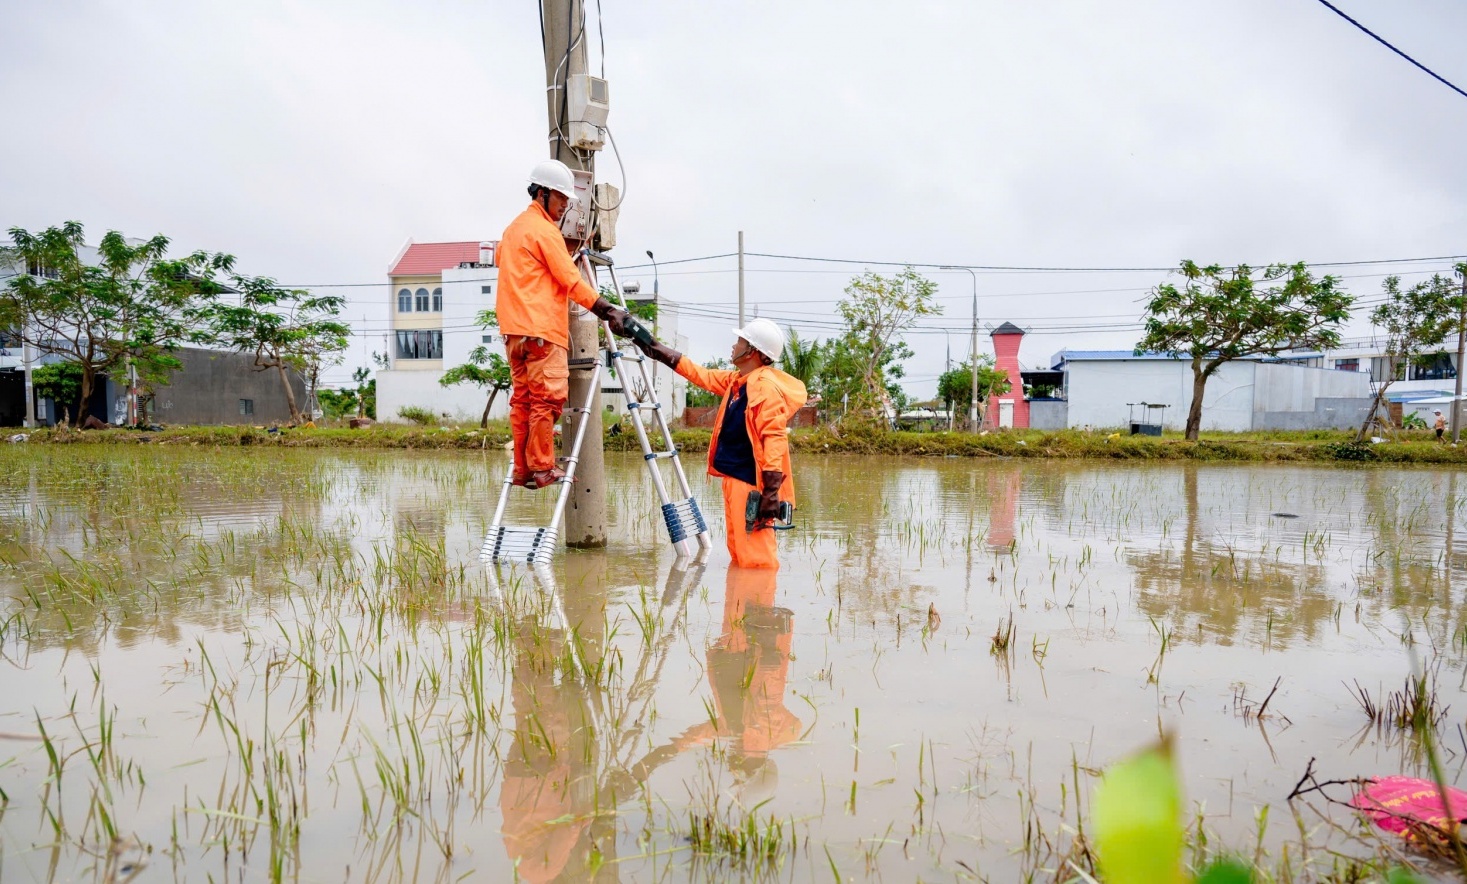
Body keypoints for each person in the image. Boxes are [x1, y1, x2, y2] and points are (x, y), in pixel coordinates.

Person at [496, 159, 633, 489]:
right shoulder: (545, 231)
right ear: (542, 194)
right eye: (560, 200)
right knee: (546, 400)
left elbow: (516, 263)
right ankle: (542, 468)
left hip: (514, 334)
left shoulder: (514, 229)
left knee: (524, 402)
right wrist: (607, 310)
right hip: (542, 330)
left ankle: (523, 470)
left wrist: (566, 247)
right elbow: (571, 281)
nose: (564, 208)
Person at [636, 318, 807, 568]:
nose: (733, 345)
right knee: (738, 553)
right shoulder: (738, 383)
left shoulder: (765, 390)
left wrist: (771, 493)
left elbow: (774, 439)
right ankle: (739, 603)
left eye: (740, 341)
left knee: (757, 560)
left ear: (754, 352)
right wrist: (655, 347)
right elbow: (700, 374)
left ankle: (761, 602)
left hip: (752, 486)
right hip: (733, 480)